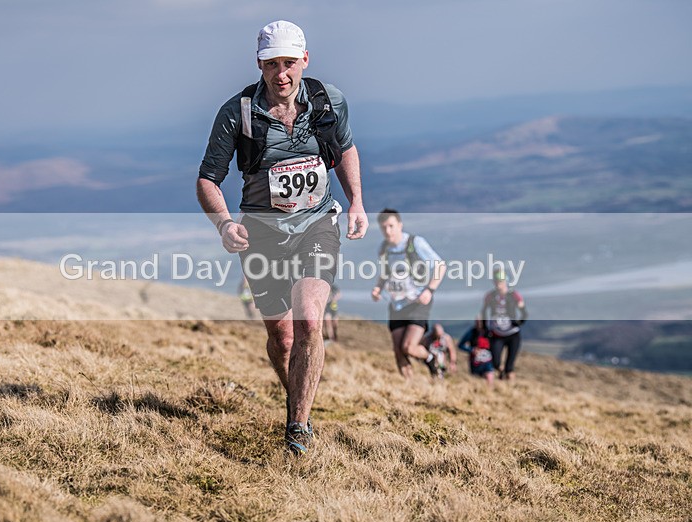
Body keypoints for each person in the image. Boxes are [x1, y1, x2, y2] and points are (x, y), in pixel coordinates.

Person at [197, 21, 368, 455]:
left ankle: (297, 430)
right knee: (283, 337)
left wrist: (357, 203)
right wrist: (223, 224)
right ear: (259, 65)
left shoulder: (330, 102)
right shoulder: (236, 113)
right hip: (260, 236)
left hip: (317, 225)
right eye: (271, 64)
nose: (282, 74)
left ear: (304, 60)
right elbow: (207, 180)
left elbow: (345, 149)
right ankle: (299, 396)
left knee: (310, 319)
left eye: (289, 62)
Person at [371, 209, 445, 379]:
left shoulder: (415, 243)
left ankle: (432, 357)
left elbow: (440, 265)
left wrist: (429, 290)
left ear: (400, 225)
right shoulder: (383, 248)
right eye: (384, 228)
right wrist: (378, 288)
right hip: (396, 303)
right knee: (398, 351)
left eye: (391, 226)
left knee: (408, 347)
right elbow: (385, 273)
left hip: (418, 302)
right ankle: (410, 390)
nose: (388, 231)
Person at [480, 268, 528, 381]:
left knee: (510, 366)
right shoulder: (489, 296)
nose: (498, 284)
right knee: (496, 362)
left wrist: (518, 322)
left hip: (512, 334)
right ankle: (502, 374)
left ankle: (510, 389)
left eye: (500, 281)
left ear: (505, 281)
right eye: (496, 281)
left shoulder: (514, 295)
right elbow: (483, 312)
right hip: (496, 334)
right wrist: (485, 328)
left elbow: (524, 312)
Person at [458, 318, 495, 385]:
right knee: (476, 382)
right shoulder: (471, 333)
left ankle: (489, 393)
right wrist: (471, 349)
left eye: (480, 321)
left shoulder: (489, 333)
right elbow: (460, 345)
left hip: (487, 361)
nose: (479, 323)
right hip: (475, 362)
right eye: (477, 322)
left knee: (489, 377)